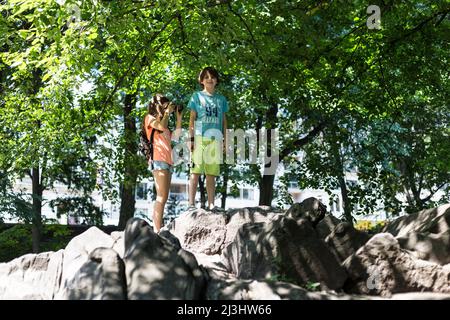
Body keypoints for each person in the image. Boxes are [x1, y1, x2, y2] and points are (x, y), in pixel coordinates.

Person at [187, 67, 228, 211]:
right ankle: (191, 204)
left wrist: (226, 140)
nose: (210, 79)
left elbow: (224, 121)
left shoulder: (221, 99)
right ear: (202, 80)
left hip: (215, 139)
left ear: (217, 80)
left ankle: (211, 204)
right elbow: (192, 119)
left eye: (213, 77)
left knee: (211, 173)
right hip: (199, 138)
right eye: (206, 77)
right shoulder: (196, 96)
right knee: (195, 172)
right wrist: (190, 139)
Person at [144, 94, 182, 232]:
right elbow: (160, 126)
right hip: (158, 160)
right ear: (158, 106)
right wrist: (166, 113)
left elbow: (176, 136)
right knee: (160, 197)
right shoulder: (150, 118)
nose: (168, 107)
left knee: (164, 197)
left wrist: (178, 117)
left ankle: (158, 228)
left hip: (168, 161)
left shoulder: (165, 126)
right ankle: (156, 230)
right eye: (165, 105)